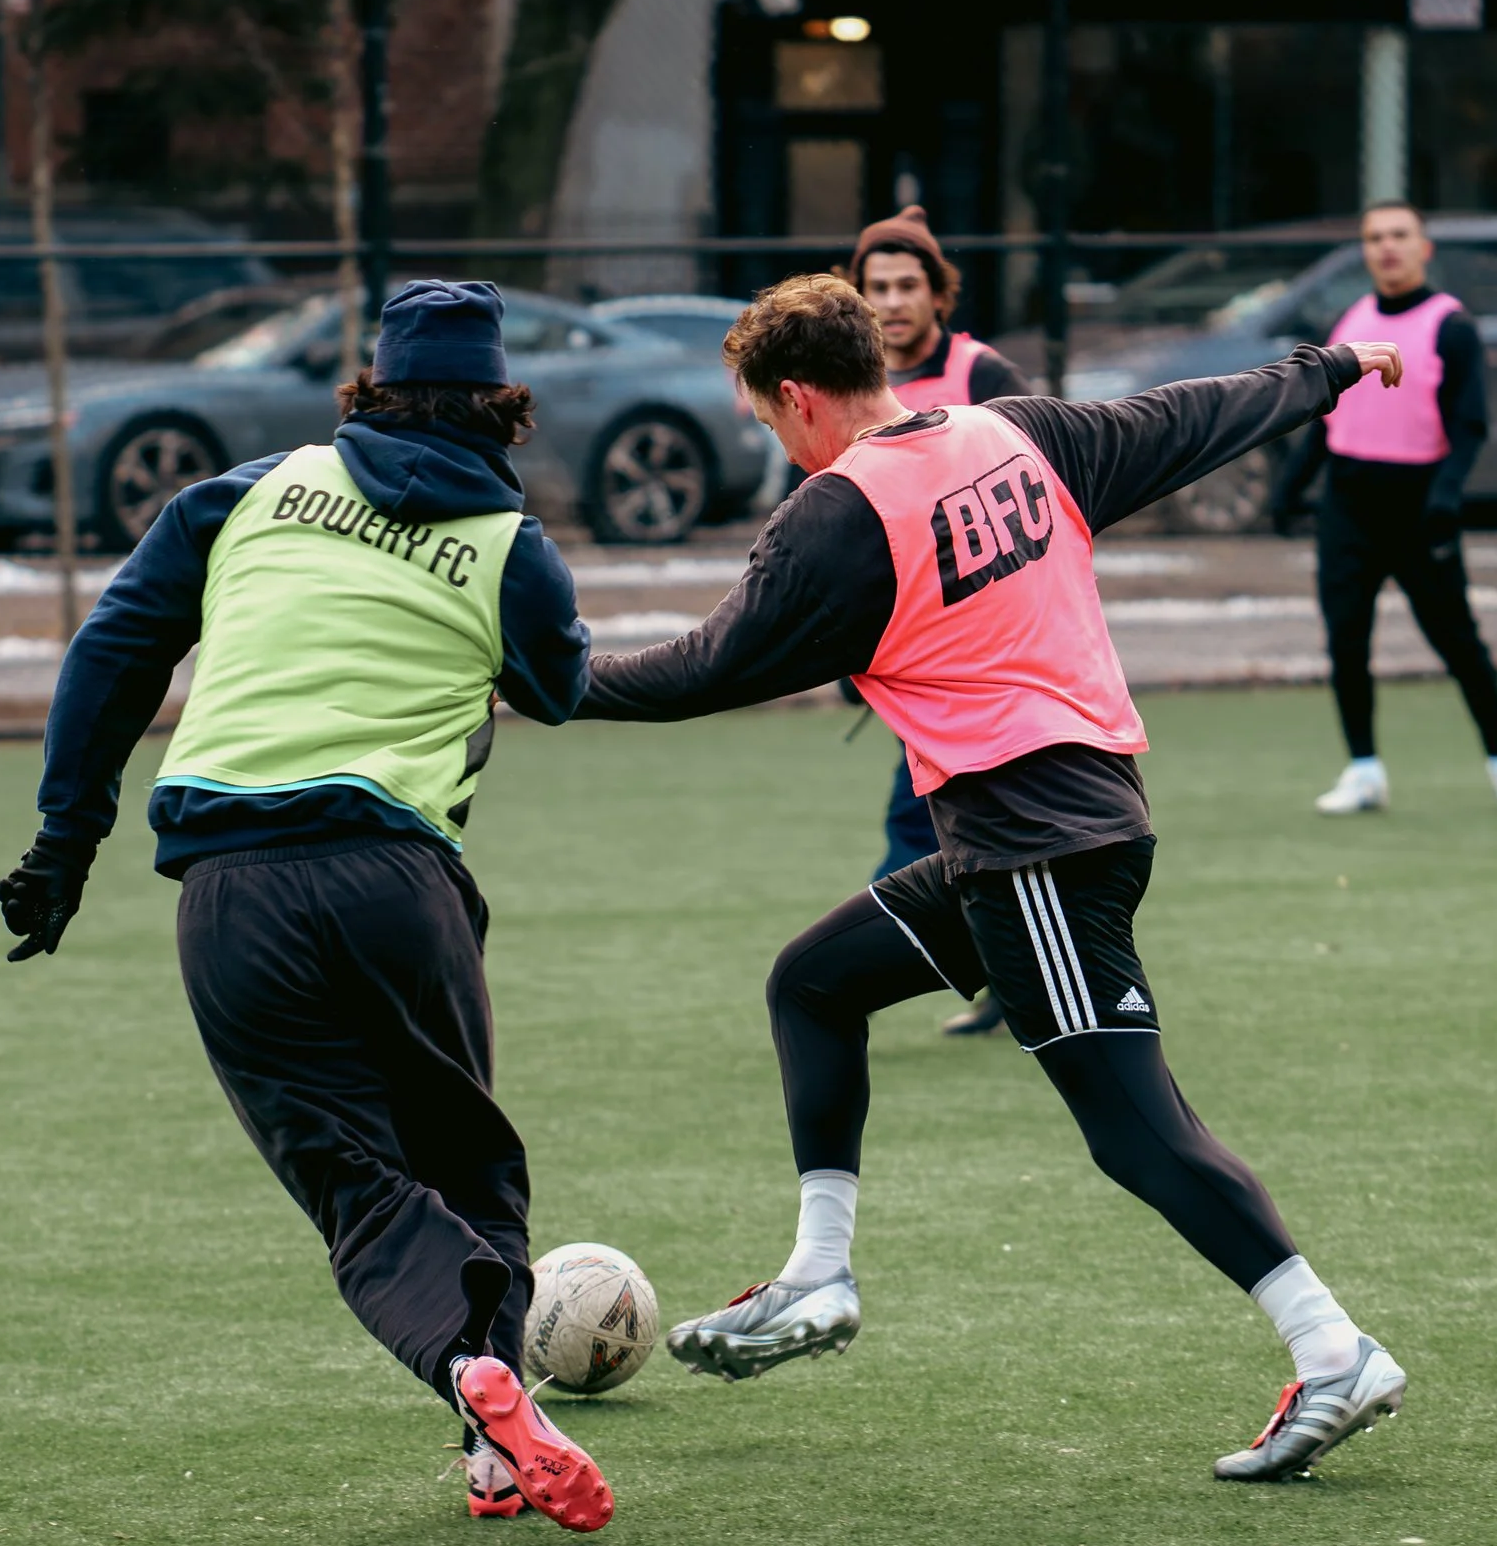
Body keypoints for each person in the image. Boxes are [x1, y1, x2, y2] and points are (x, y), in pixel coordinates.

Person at [572, 274, 1411, 1483]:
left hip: (1036, 850)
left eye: (766, 423)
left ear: (798, 397)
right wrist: (1322, 370)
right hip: (1018, 846)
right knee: (813, 984)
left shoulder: (834, 513)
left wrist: (545, 684)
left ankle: (1331, 1346)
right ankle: (817, 1272)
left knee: (1137, 1128)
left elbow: (702, 670)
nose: (775, 445)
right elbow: (1190, 417)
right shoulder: (1015, 431)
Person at [0, 280, 613, 1532]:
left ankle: (466, 1367)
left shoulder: (243, 495)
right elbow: (556, 684)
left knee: (356, 1182)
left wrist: (67, 838)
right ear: (504, 408)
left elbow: (112, 650)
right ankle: (494, 1435)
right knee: (465, 1158)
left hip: (228, 891)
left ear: (366, 391)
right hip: (396, 881)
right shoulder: (511, 547)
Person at [1272, 201, 1497, 817]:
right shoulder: (1352, 322)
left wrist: (1445, 500)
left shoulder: (1452, 326)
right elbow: (1325, 415)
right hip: (1348, 505)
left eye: (1399, 236)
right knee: (1345, 639)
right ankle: (1364, 770)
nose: (1386, 247)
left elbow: (1470, 427)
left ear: (1424, 249)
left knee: (1457, 641)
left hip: (1420, 508)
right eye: (1374, 238)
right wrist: (1291, 486)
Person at [850, 205, 1033, 1036]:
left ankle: (859, 964)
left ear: (938, 293)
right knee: (949, 817)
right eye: (875, 287)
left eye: (906, 284)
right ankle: (1009, 973)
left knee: (929, 817)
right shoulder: (852, 387)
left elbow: (1037, 493)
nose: (891, 301)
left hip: (985, 650)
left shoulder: (981, 375)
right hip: (905, 648)